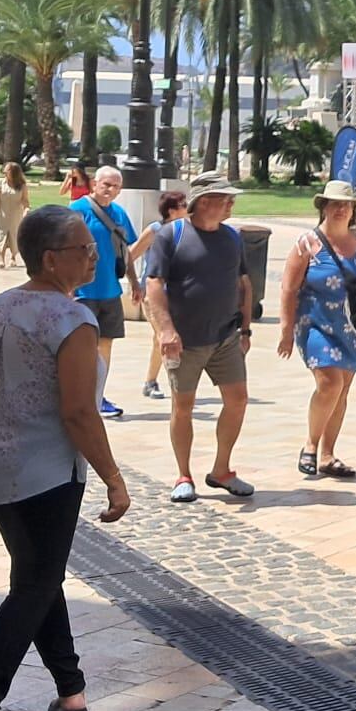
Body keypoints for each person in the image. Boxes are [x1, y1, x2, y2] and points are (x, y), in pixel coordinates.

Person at [0, 206, 130, 711]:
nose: (95, 255)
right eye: (85, 249)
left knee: (40, 576)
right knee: (34, 584)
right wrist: (114, 479)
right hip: (47, 475)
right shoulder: (72, 320)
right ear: (53, 259)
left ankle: (71, 691)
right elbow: (79, 412)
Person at [144, 171, 256, 504]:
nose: (231, 205)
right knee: (183, 407)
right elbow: (153, 285)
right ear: (205, 202)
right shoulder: (172, 235)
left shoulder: (233, 238)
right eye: (226, 199)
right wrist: (165, 329)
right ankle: (184, 474)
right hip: (184, 340)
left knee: (237, 401)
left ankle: (221, 470)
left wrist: (246, 329)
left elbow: (244, 285)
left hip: (225, 337)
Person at [279, 179, 356, 479]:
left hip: (351, 327)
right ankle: (311, 445)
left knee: (342, 391)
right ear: (323, 207)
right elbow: (288, 289)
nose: (341, 209)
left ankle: (328, 455)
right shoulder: (307, 244)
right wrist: (286, 330)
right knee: (330, 383)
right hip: (314, 324)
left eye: (347, 205)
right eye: (335, 204)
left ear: (354, 210)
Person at [71, 165, 137, 419]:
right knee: (82, 348)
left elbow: (126, 250)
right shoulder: (77, 211)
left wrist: (134, 282)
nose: (110, 190)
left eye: (116, 186)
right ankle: (80, 396)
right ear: (94, 184)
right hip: (82, 292)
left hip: (110, 291)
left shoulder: (119, 213)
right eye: (106, 184)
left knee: (105, 346)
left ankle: (98, 395)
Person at [131, 190, 189, 400]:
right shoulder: (155, 230)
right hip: (152, 293)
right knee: (162, 336)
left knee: (164, 338)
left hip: (177, 294)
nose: (188, 208)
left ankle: (154, 381)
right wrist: (134, 283)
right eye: (184, 205)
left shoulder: (187, 231)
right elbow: (132, 254)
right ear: (172, 211)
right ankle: (158, 382)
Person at [0, 162, 31, 269]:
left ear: (14, 172)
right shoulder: (0, 183)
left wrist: (26, 209)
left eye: (7, 171)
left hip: (16, 214)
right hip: (2, 213)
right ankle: (1, 258)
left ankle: (13, 257)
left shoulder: (22, 186)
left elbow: (25, 200)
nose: (4, 172)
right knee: (1, 234)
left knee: (14, 235)